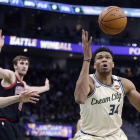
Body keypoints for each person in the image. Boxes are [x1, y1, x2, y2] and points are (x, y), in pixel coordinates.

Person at [74, 29, 140, 140]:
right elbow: (80, 99)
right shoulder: (88, 81)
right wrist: (86, 59)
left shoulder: (124, 84)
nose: (104, 60)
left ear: (112, 64)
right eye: (100, 58)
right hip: (89, 136)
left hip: (115, 135)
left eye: (107, 58)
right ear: (94, 65)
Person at [0, 30, 50, 140]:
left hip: (14, 123)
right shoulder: (10, 76)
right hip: (3, 121)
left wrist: (46, 87)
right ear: (15, 66)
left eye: (26, 64)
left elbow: (32, 89)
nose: (24, 66)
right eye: (21, 63)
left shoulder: (23, 84)